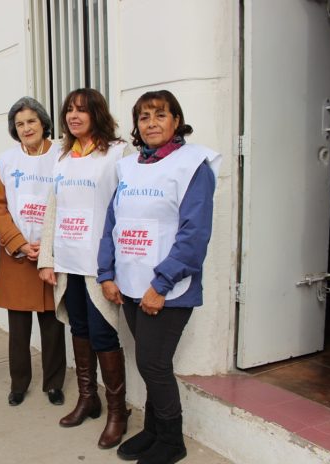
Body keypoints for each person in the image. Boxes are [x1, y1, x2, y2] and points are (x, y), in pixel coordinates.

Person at [98, 90, 220, 464]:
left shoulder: (193, 164)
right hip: (130, 284)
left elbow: (194, 234)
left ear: (176, 120)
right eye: (144, 116)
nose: (151, 123)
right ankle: (153, 430)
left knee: (153, 363)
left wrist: (160, 284)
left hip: (166, 290)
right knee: (149, 361)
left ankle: (171, 440)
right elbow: (112, 222)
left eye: (160, 115)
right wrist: (107, 272)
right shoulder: (128, 166)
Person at [38, 88, 130, 449]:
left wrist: (118, 267)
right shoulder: (62, 157)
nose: (74, 116)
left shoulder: (118, 153)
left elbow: (126, 209)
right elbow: (52, 209)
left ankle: (118, 413)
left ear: (97, 114)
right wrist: (48, 259)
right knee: (78, 328)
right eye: (69, 111)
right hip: (68, 262)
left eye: (82, 110)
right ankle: (87, 398)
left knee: (104, 333)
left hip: (98, 264)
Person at [0, 96, 66, 407]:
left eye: (31, 121)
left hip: (53, 252)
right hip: (18, 254)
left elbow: (71, 198)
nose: (26, 128)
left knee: (52, 324)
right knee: (18, 328)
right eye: (19, 124)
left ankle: (54, 383)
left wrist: (46, 246)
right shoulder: (6, 161)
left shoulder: (62, 155)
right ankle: (19, 383)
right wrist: (19, 243)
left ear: (44, 123)